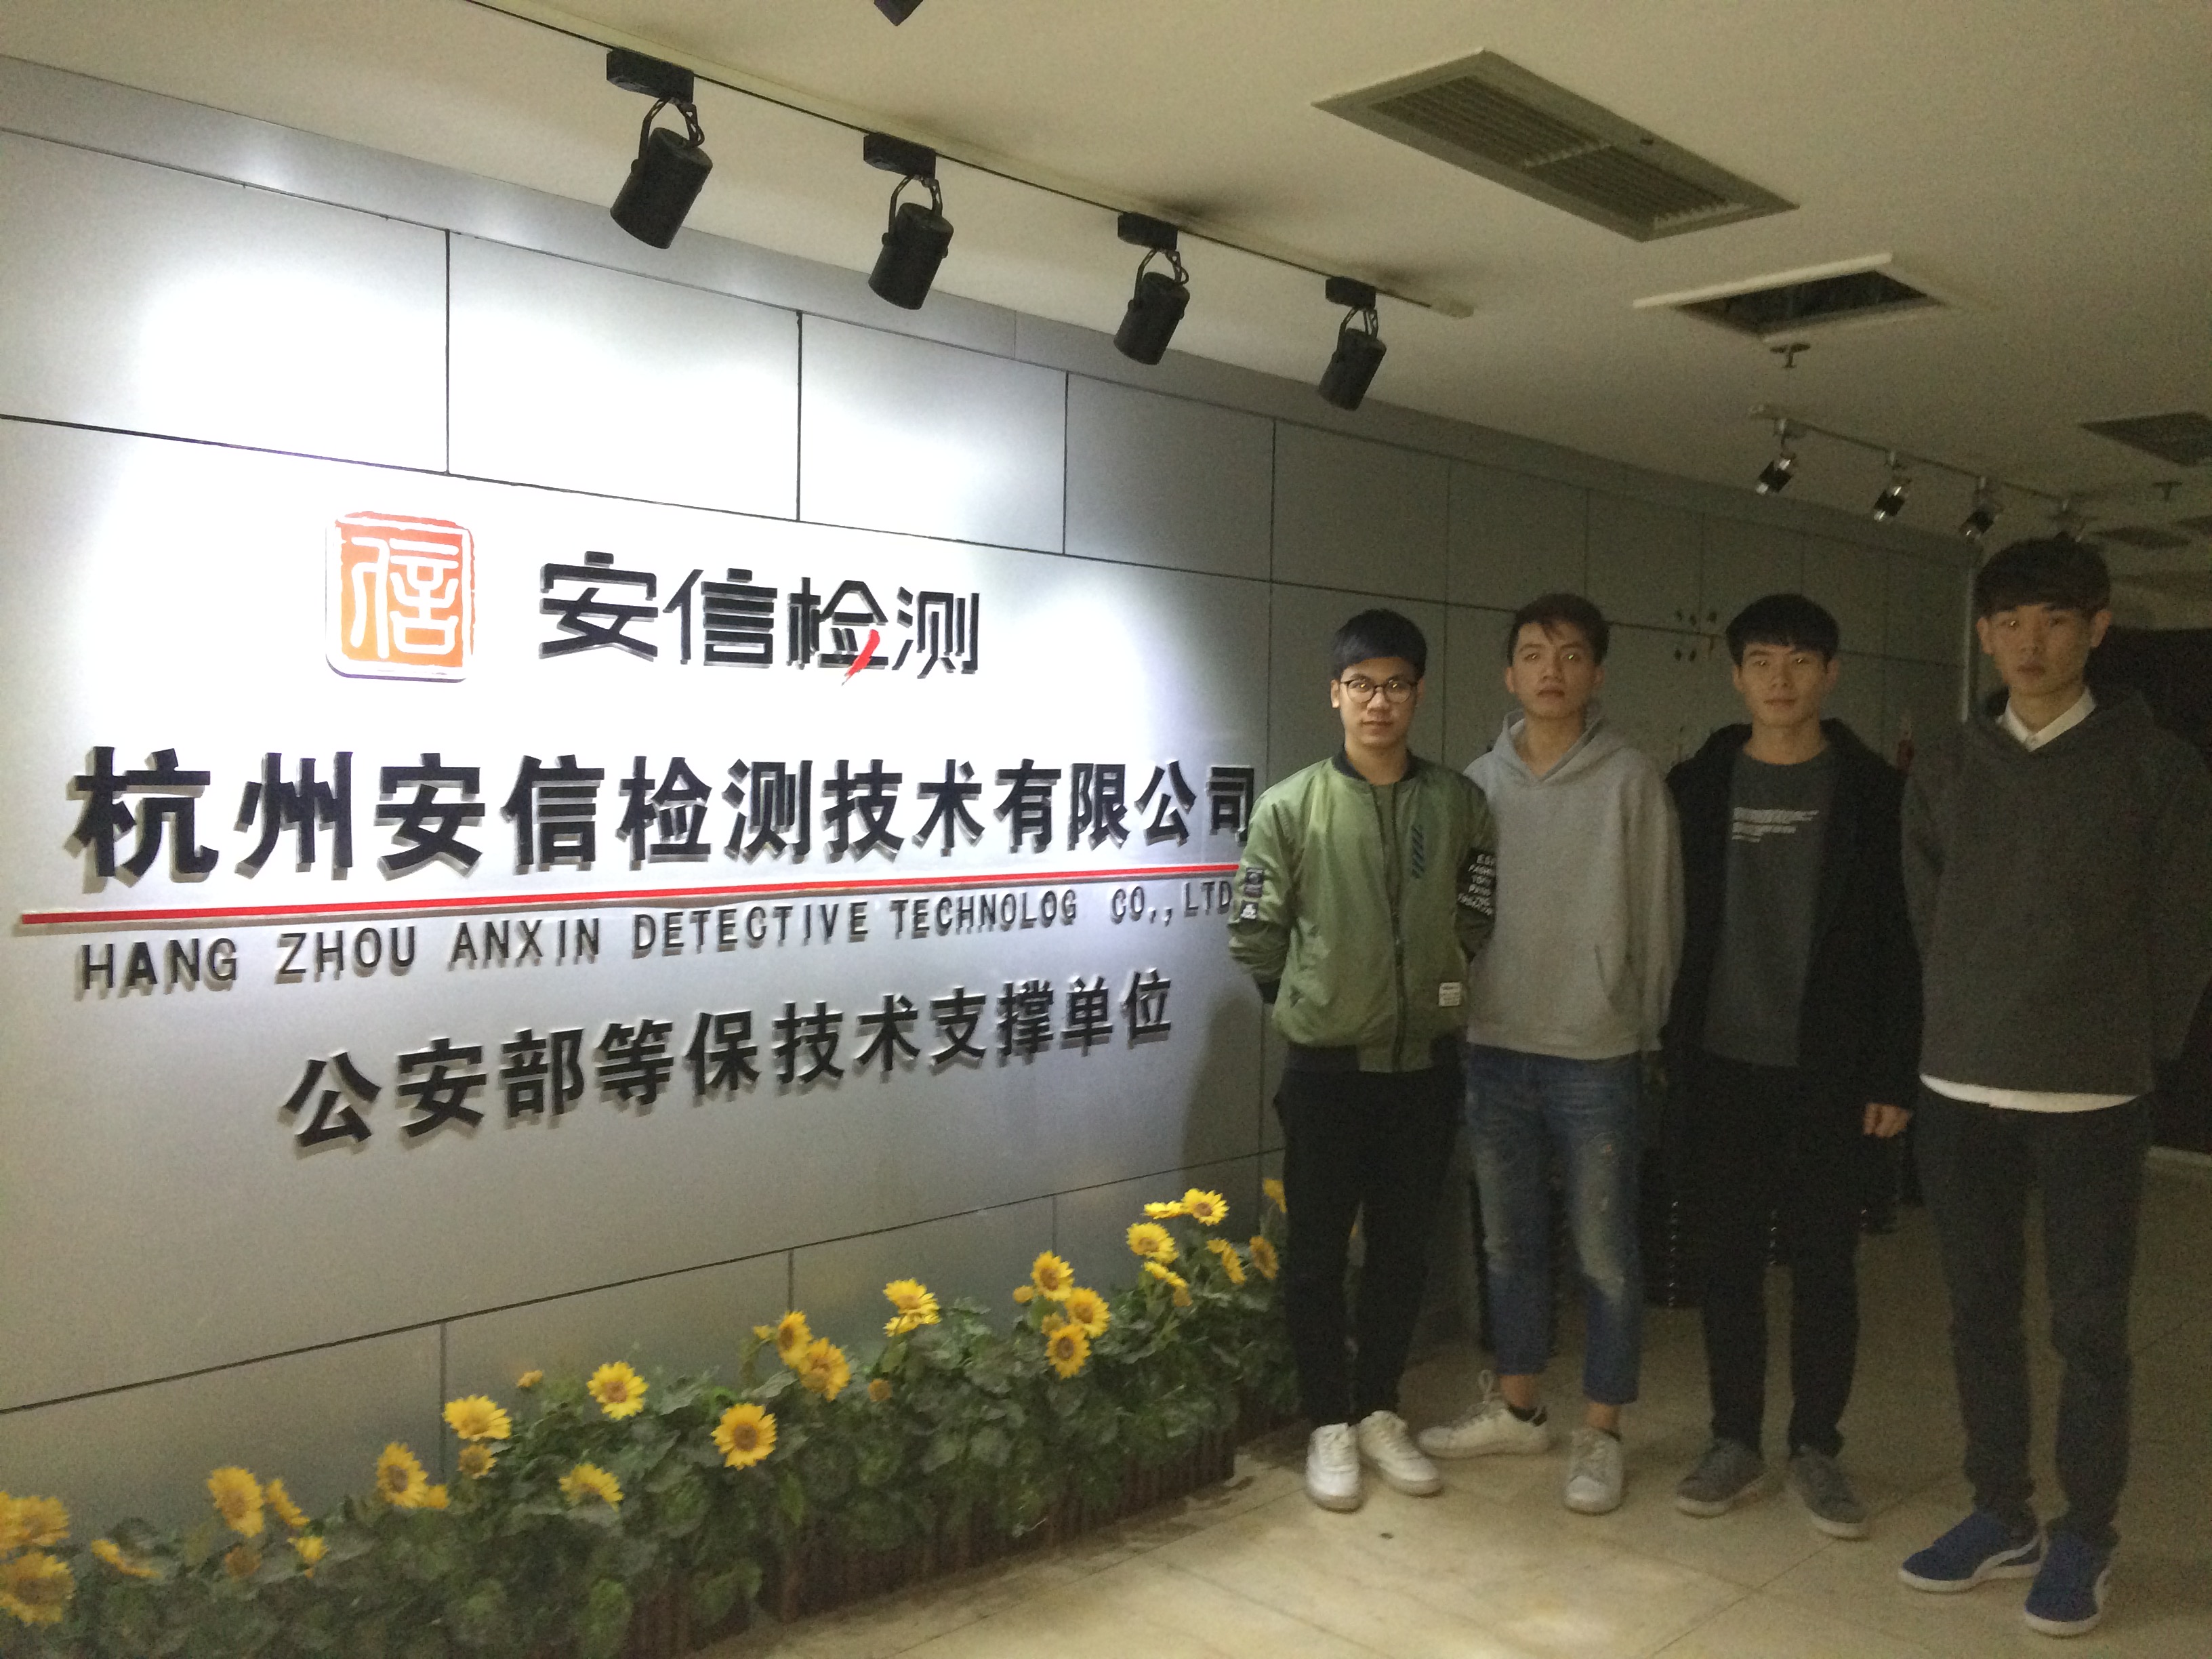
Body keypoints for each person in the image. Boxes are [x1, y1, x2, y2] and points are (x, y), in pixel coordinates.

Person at [1898, 537, 2212, 1637]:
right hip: (1960, 1084)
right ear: (1987, 635)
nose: (2031, 643)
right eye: (2011, 623)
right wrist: (1964, 1014)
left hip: (2091, 1096)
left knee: (2090, 1329)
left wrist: (2131, 1047)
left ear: (2097, 629)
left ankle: (2086, 1531)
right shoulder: (1949, 763)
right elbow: (1929, 914)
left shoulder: (2157, 766)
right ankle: (2002, 1511)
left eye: (2056, 621)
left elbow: (2183, 926)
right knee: (1978, 1314)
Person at [1416, 593, 1682, 1515]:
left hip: (1596, 1051)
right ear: (1509, 672)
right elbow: (1456, 914)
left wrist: (1639, 1024)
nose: (1551, 671)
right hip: (1496, 1046)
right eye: (1534, 654)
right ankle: (1519, 1406)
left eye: (1571, 656)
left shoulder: (1631, 780)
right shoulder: (1476, 783)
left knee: (1605, 1253)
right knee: (1510, 1243)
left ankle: (1601, 1430)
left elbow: (1660, 914)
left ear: (1596, 673)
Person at [1661, 594, 1920, 1539]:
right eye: (1763, 661)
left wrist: (1893, 1072)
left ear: (1831, 674)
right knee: (1726, 1261)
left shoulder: (1874, 793)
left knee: (1824, 1265)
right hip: (1722, 1063)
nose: (1781, 679)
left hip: (1833, 1071)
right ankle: (1734, 1437)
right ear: (1736, 676)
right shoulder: (1697, 784)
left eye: (1801, 661)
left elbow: (1903, 942)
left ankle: (1817, 1445)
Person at [1229, 607, 1498, 1513]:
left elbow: (1477, 910)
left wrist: (1435, 980)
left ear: (1418, 694)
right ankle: (1328, 1423)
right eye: (1361, 685)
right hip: (1327, 1073)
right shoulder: (1290, 806)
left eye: (1395, 685)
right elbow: (1255, 930)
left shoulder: (1458, 803)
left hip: (1425, 1067)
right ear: (1334, 695)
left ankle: (1381, 1408)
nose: (1378, 702)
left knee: (1402, 1251)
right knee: (1314, 1254)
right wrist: (1309, 1004)